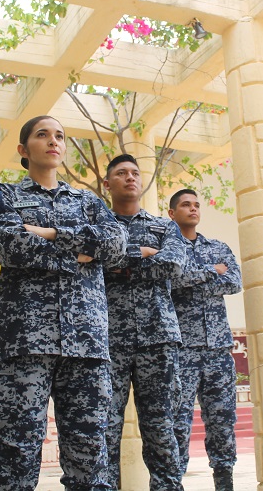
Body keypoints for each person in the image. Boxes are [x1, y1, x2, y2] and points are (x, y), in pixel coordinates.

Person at [0, 115, 127, 490]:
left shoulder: (88, 201)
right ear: (23, 150)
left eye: (60, 136)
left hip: (87, 343)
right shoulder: (6, 195)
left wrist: (48, 233)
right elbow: (11, 245)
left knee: (91, 453)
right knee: (17, 451)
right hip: (25, 340)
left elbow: (115, 247)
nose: (54, 141)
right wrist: (80, 253)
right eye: (42, 135)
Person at [102, 154, 186, 490]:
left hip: (158, 339)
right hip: (108, 341)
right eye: (121, 173)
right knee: (103, 430)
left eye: (135, 173)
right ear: (107, 184)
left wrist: (119, 263)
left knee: (161, 430)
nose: (130, 178)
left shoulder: (164, 227)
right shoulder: (99, 227)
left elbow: (174, 267)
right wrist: (145, 254)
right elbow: (93, 262)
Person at [168, 189, 242, 491]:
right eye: (186, 205)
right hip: (181, 351)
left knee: (222, 422)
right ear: (172, 213)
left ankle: (225, 482)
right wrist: (211, 271)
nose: (193, 209)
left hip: (218, 351)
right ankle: (174, 482)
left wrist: (194, 275)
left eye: (197, 204)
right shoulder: (168, 248)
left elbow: (235, 281)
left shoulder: (218, 246)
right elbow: (171, 278)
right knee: (177, 425)